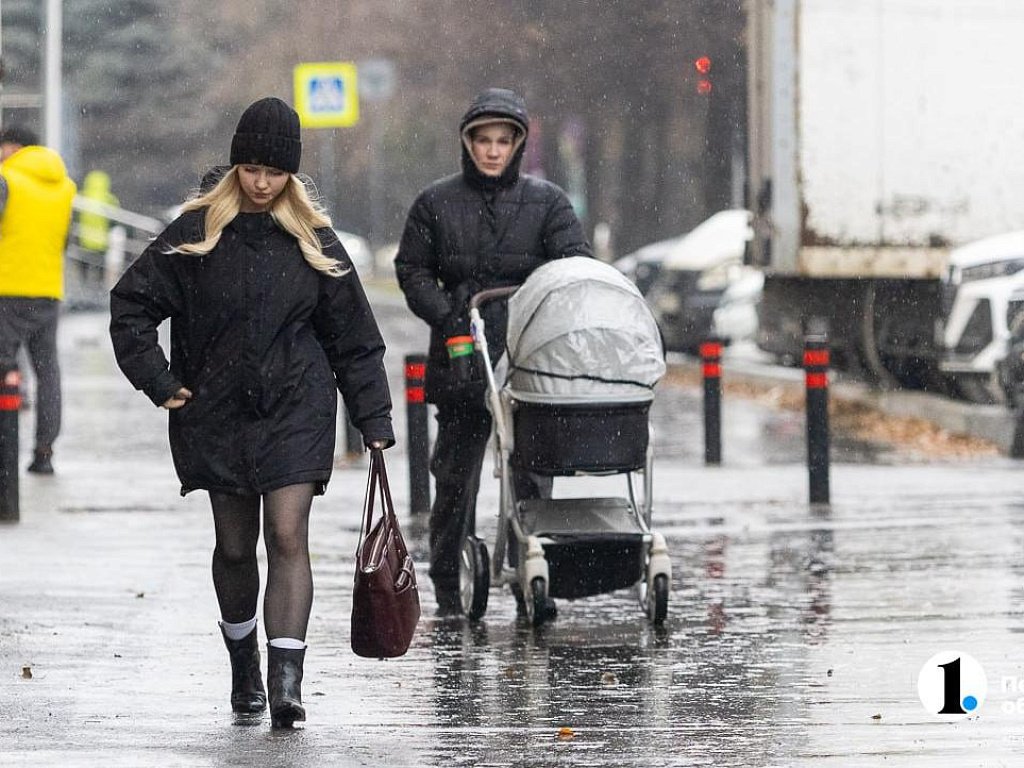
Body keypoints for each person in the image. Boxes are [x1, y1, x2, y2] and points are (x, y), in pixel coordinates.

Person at [109, 97, 394, 728]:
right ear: (236, 165)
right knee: (235, 548)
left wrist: (373, 419)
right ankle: (244, 666)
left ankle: (286, 682)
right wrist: (160, 382)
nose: (262, 183)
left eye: (275, 172)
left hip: (297, 408)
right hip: (216, 410)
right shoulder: (196, 234)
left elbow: (355, 339)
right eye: (251, 169)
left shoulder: (314, 241)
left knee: (288, 536)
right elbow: (130, 307)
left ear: (292, 173)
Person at [394, 87, 592, 615]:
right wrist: (448, 315)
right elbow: (412, 269)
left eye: (503, 141)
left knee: (532, 473)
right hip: (463, 353)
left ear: (517, 145)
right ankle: (447, 583)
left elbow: (573, 266)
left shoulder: (547, 203)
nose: (492, 151)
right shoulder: (436, 203)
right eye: (483, 140)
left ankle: (532, 571)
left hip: (529, 356)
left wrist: (542, 307)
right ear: (468, 143)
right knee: (455, 477)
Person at [0, 126, 77, 475]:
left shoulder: (7, 180)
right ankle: (44, 451)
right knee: (48, 372)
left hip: (7, 289)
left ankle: (5, 452)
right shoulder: (65, 187)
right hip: (48, 290)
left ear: (13, 148)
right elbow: (63, 240)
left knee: (4, 368)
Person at [76, 169, 119, 289]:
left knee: (84, 267)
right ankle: (98, 288)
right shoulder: (110, 200)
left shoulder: (81, 197)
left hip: (84, 240)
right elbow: (114, 222)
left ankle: (83, 287)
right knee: (100, 267)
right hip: (101, 242)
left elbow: (75, 217)